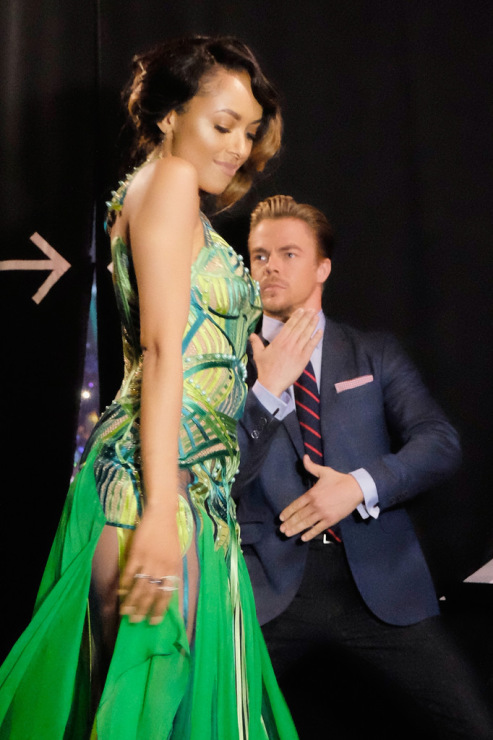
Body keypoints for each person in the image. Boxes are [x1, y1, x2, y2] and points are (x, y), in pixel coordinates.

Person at [0, 37, 299, 740]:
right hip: (154, 490)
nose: (238, 146)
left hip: (190, 487)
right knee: (144, 708)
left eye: (249, 131)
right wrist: (162, 512)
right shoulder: (168, 181)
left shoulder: (162, 191)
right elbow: (164, 352)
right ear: (169, 115)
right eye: (222, 124)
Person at [233, 194, 493, 739]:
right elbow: (219, 477)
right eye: (260, 256)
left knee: (470, 726)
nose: (271, 267)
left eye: (288, 254)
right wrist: (266, 391)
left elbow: (439, 442)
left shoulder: (373, 353)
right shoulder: (230, 363)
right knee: (207, 724)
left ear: (322, 268)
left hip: (380, 585)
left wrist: (358, 486)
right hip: (267, 590)